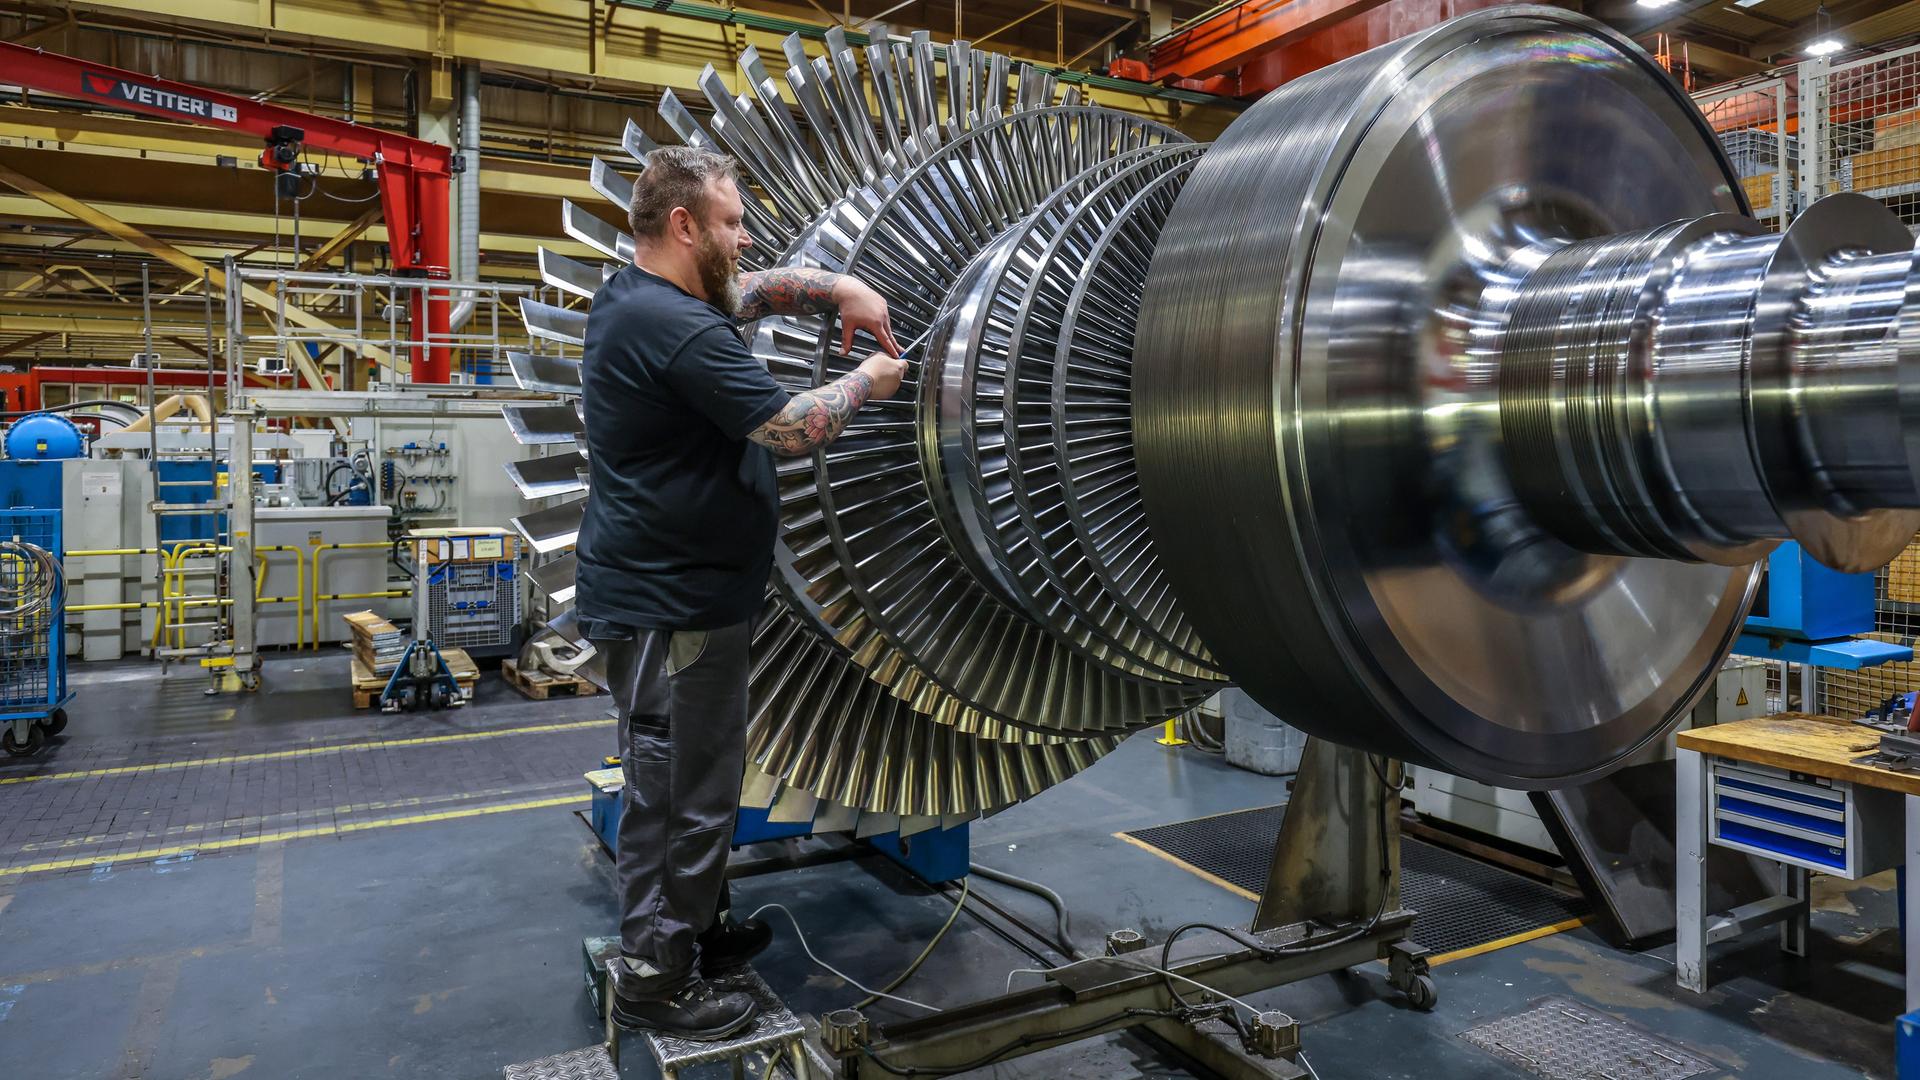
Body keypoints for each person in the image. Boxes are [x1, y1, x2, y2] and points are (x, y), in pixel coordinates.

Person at [576, 144, 908, 1040]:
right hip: (671, 609)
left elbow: (752, 289)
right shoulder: (674, 330)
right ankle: (655, 974)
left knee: (698, 777)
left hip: (685, 602)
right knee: (677, 789)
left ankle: (696, 932)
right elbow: (793, 429)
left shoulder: (644, 296)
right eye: (729, 222)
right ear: (683, 226)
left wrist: (837, 288)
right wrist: (869, 382)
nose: (743, 235)